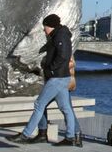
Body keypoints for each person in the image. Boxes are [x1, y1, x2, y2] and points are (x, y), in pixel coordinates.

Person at [11, 14, 79, 144]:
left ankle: (25, 135)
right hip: (61, 77)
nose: (44, 30)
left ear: (51, 26)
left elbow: (63, 56)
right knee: (65, 108)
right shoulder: (58, 35)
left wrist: (51, 69)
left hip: (57, 77)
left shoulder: (60, 36)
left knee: (39, 104)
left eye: (45, 27)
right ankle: (70, 137)